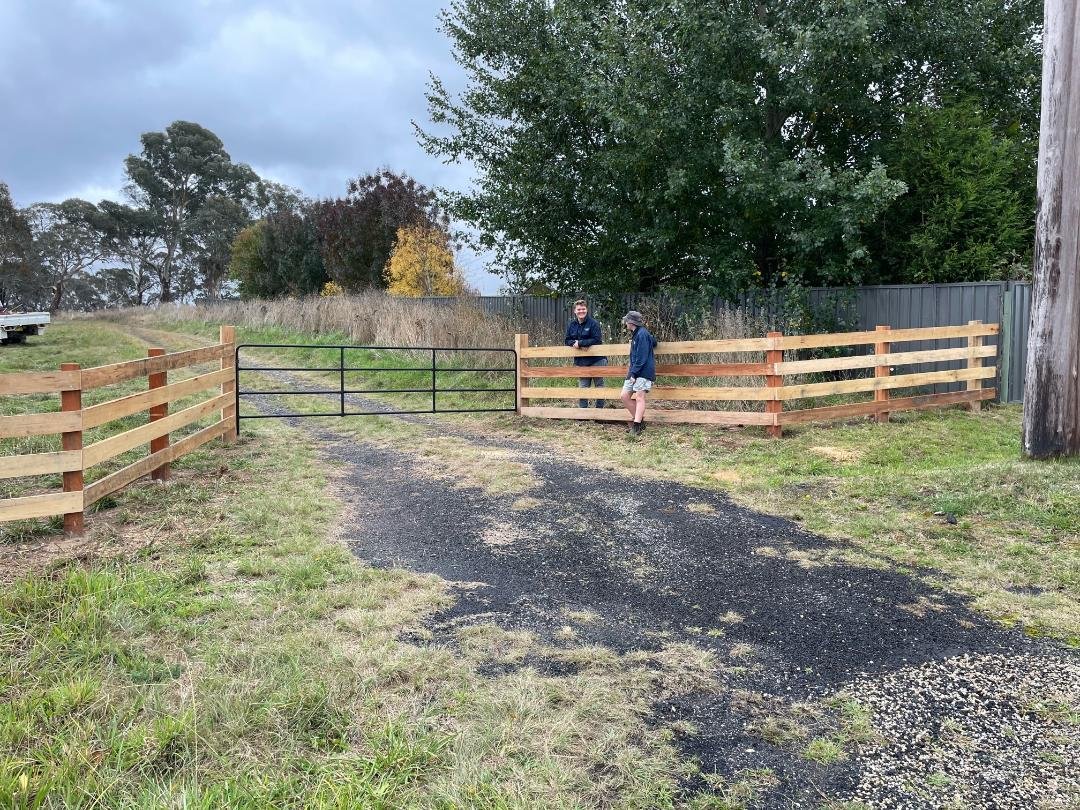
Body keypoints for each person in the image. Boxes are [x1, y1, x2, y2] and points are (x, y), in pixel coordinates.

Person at [565, 299, 607, 408]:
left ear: (586, 310)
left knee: (599, 385)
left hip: (597, 360)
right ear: (575, 311)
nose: (581, 311)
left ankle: (599, 410)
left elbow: (597, 340)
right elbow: (567, 340)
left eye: (583, 309)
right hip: (581, 361)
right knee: (583, 386)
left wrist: (581, 343)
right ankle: (583, 411)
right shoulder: (572, 325)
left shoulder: (593, 324)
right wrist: (575, 343)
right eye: (579, 309)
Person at [620, 310, 656, 435]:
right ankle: (639, 421)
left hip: (643, 371)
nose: (625, 323)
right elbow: (653, 342)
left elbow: (641, 357)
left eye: (626, 321)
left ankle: (636, 426)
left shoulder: (642, 334)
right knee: (624, 396)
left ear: (631, 322)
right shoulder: (639, 334)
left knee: (640, 397)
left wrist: (634, 374)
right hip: (635, 370)